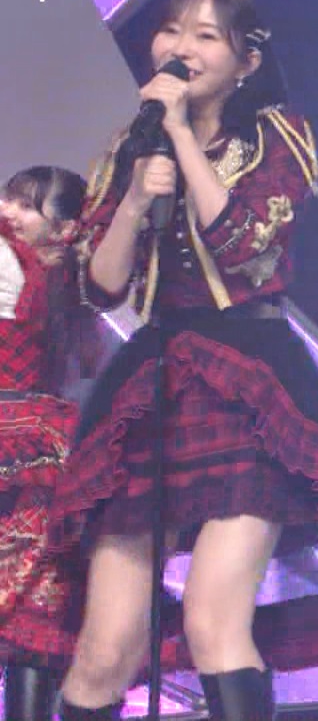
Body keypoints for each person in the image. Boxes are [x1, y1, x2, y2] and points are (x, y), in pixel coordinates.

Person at [44, 0, 318, 721]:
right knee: (104, 651)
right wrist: (136, 199)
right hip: (152, 380)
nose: (181, 48)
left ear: (246, 62)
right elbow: (101, 289)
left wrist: (183, 142)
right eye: (172, 31)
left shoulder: (276, 136)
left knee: (211, 621)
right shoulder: (130, 146)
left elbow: (242, 246)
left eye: (206, 36)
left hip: (250, 382)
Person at [0, 166, 97, 721]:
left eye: (25, 205)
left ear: (63, 229)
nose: (7, 211)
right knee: (36, 615)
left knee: (35, 612)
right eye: (8, 198)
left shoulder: (20, 266)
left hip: (26, 449)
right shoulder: (68, 284)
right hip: (42, 450)